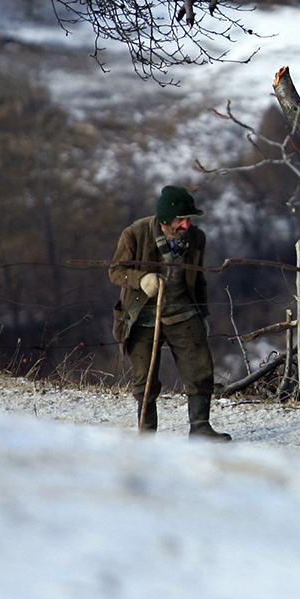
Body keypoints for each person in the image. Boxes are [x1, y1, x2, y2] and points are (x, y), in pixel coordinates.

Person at [108, 185, 231, 440]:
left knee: (200, 369)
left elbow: (198, 281)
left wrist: (203, 314)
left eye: (189, 219)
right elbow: (116, 271)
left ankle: (200, 428)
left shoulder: (197, 239)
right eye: (181, 219)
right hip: (141, 316)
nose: (186, 225)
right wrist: (141, 279)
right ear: (164, 220)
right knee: (145, 379)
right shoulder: (134, 234)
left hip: (183, 312)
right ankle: (147, 435)